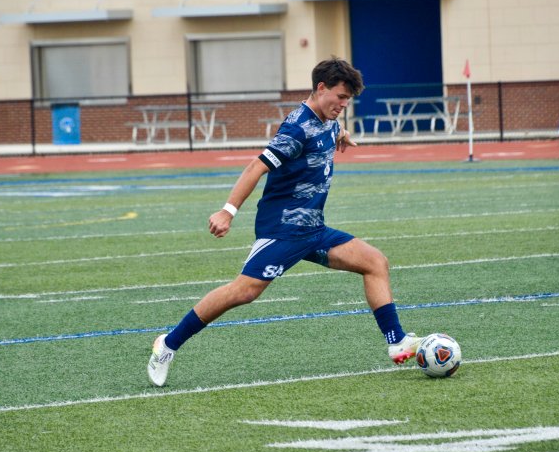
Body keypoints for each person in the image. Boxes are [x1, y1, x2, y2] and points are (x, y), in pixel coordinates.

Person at [147, 58, 422, 387]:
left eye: (348, 100)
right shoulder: (296, 128)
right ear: (321, 88)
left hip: (314, 230)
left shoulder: (328, 119)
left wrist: (342, 134)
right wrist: (227, 211)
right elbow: (256, 167)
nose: (343, 105)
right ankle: (167, 344)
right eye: (340, 97)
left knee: (375, 262)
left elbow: (331, 129)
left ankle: (396, 341)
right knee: (244, 292)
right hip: (283, 230)